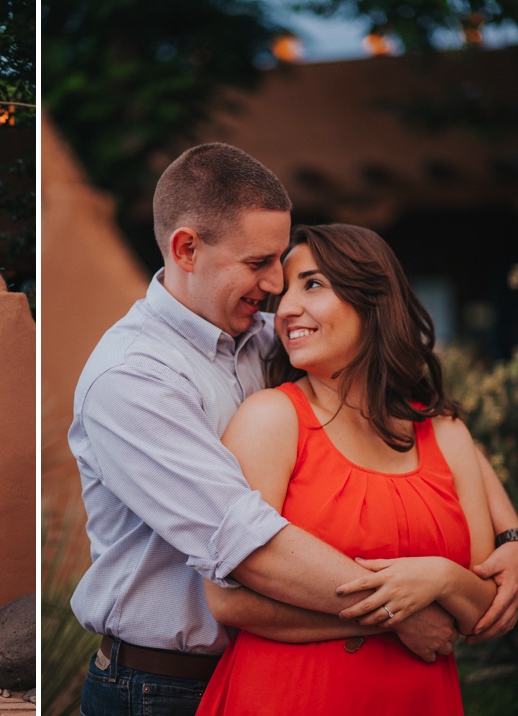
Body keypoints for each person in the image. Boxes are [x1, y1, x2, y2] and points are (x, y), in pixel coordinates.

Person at [69, 143, 518, 715]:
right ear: (186, 248)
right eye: (259, 263)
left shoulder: (268, 337)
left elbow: (424, 426)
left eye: (282, 261)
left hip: (278, 661)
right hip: (159, 686)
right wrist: (405, 609)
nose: (278, 284)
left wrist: (510, 537)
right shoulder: (132, 378)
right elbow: (248, 546)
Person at [196, 224, 496, 715]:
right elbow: (230, 602)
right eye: (285, 291)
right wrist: (399, 614)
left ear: (374, 301)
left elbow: (483, 609)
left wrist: (441, 577)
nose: (286, 308)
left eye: (312, 284)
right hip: (291, 696)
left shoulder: (443, 432)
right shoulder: (272, 418)